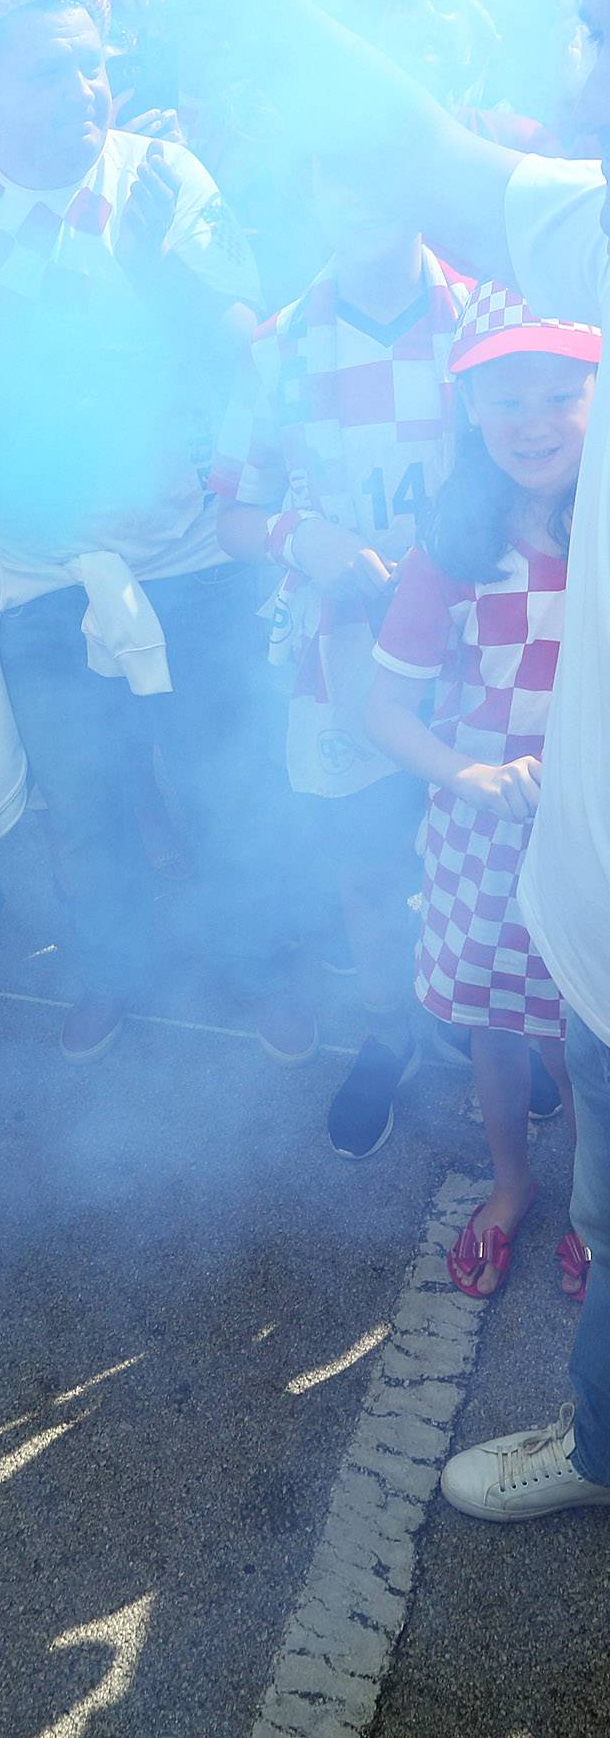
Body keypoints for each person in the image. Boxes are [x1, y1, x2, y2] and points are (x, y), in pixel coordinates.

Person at [74, 0, 610, 1519]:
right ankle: (449, 1098)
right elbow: (244, 499)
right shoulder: (318, 323)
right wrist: (352, 561)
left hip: (520, 699)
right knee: (429, 919)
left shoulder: (511, 303)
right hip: (417, 698)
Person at [0, 0, 277, 1066]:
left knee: (225, 780)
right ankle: (112, 973)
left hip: (185, 552)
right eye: (48, 72)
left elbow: (247, 353)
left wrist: (166, 288)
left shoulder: (162, 179)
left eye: (91, 66)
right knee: (82, 805)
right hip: (40, 566)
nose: (84, 91)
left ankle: (262, 966)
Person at [211, 172, 471, 1157]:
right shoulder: (277, 345)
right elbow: (232, 508)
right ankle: (391, 1028)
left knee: (491, 850)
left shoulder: (483, 317)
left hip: (484, 654)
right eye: (328, 169)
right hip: (346, 658)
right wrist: (297, 535)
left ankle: (496, 1024)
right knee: (366, 868)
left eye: (377, 158)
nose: (356, 189)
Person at [364, 287, 597, 1300]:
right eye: (508, 402)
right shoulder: (451, 551)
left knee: (585, 1034)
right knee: (497, 1030)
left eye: (561, 394)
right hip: (485, 833)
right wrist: (470, 774)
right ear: (468, 409)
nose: (536, 424)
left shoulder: (604, 532)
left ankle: (595, 1207)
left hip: (591, 836)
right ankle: (510, 1186)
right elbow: (383, 711)